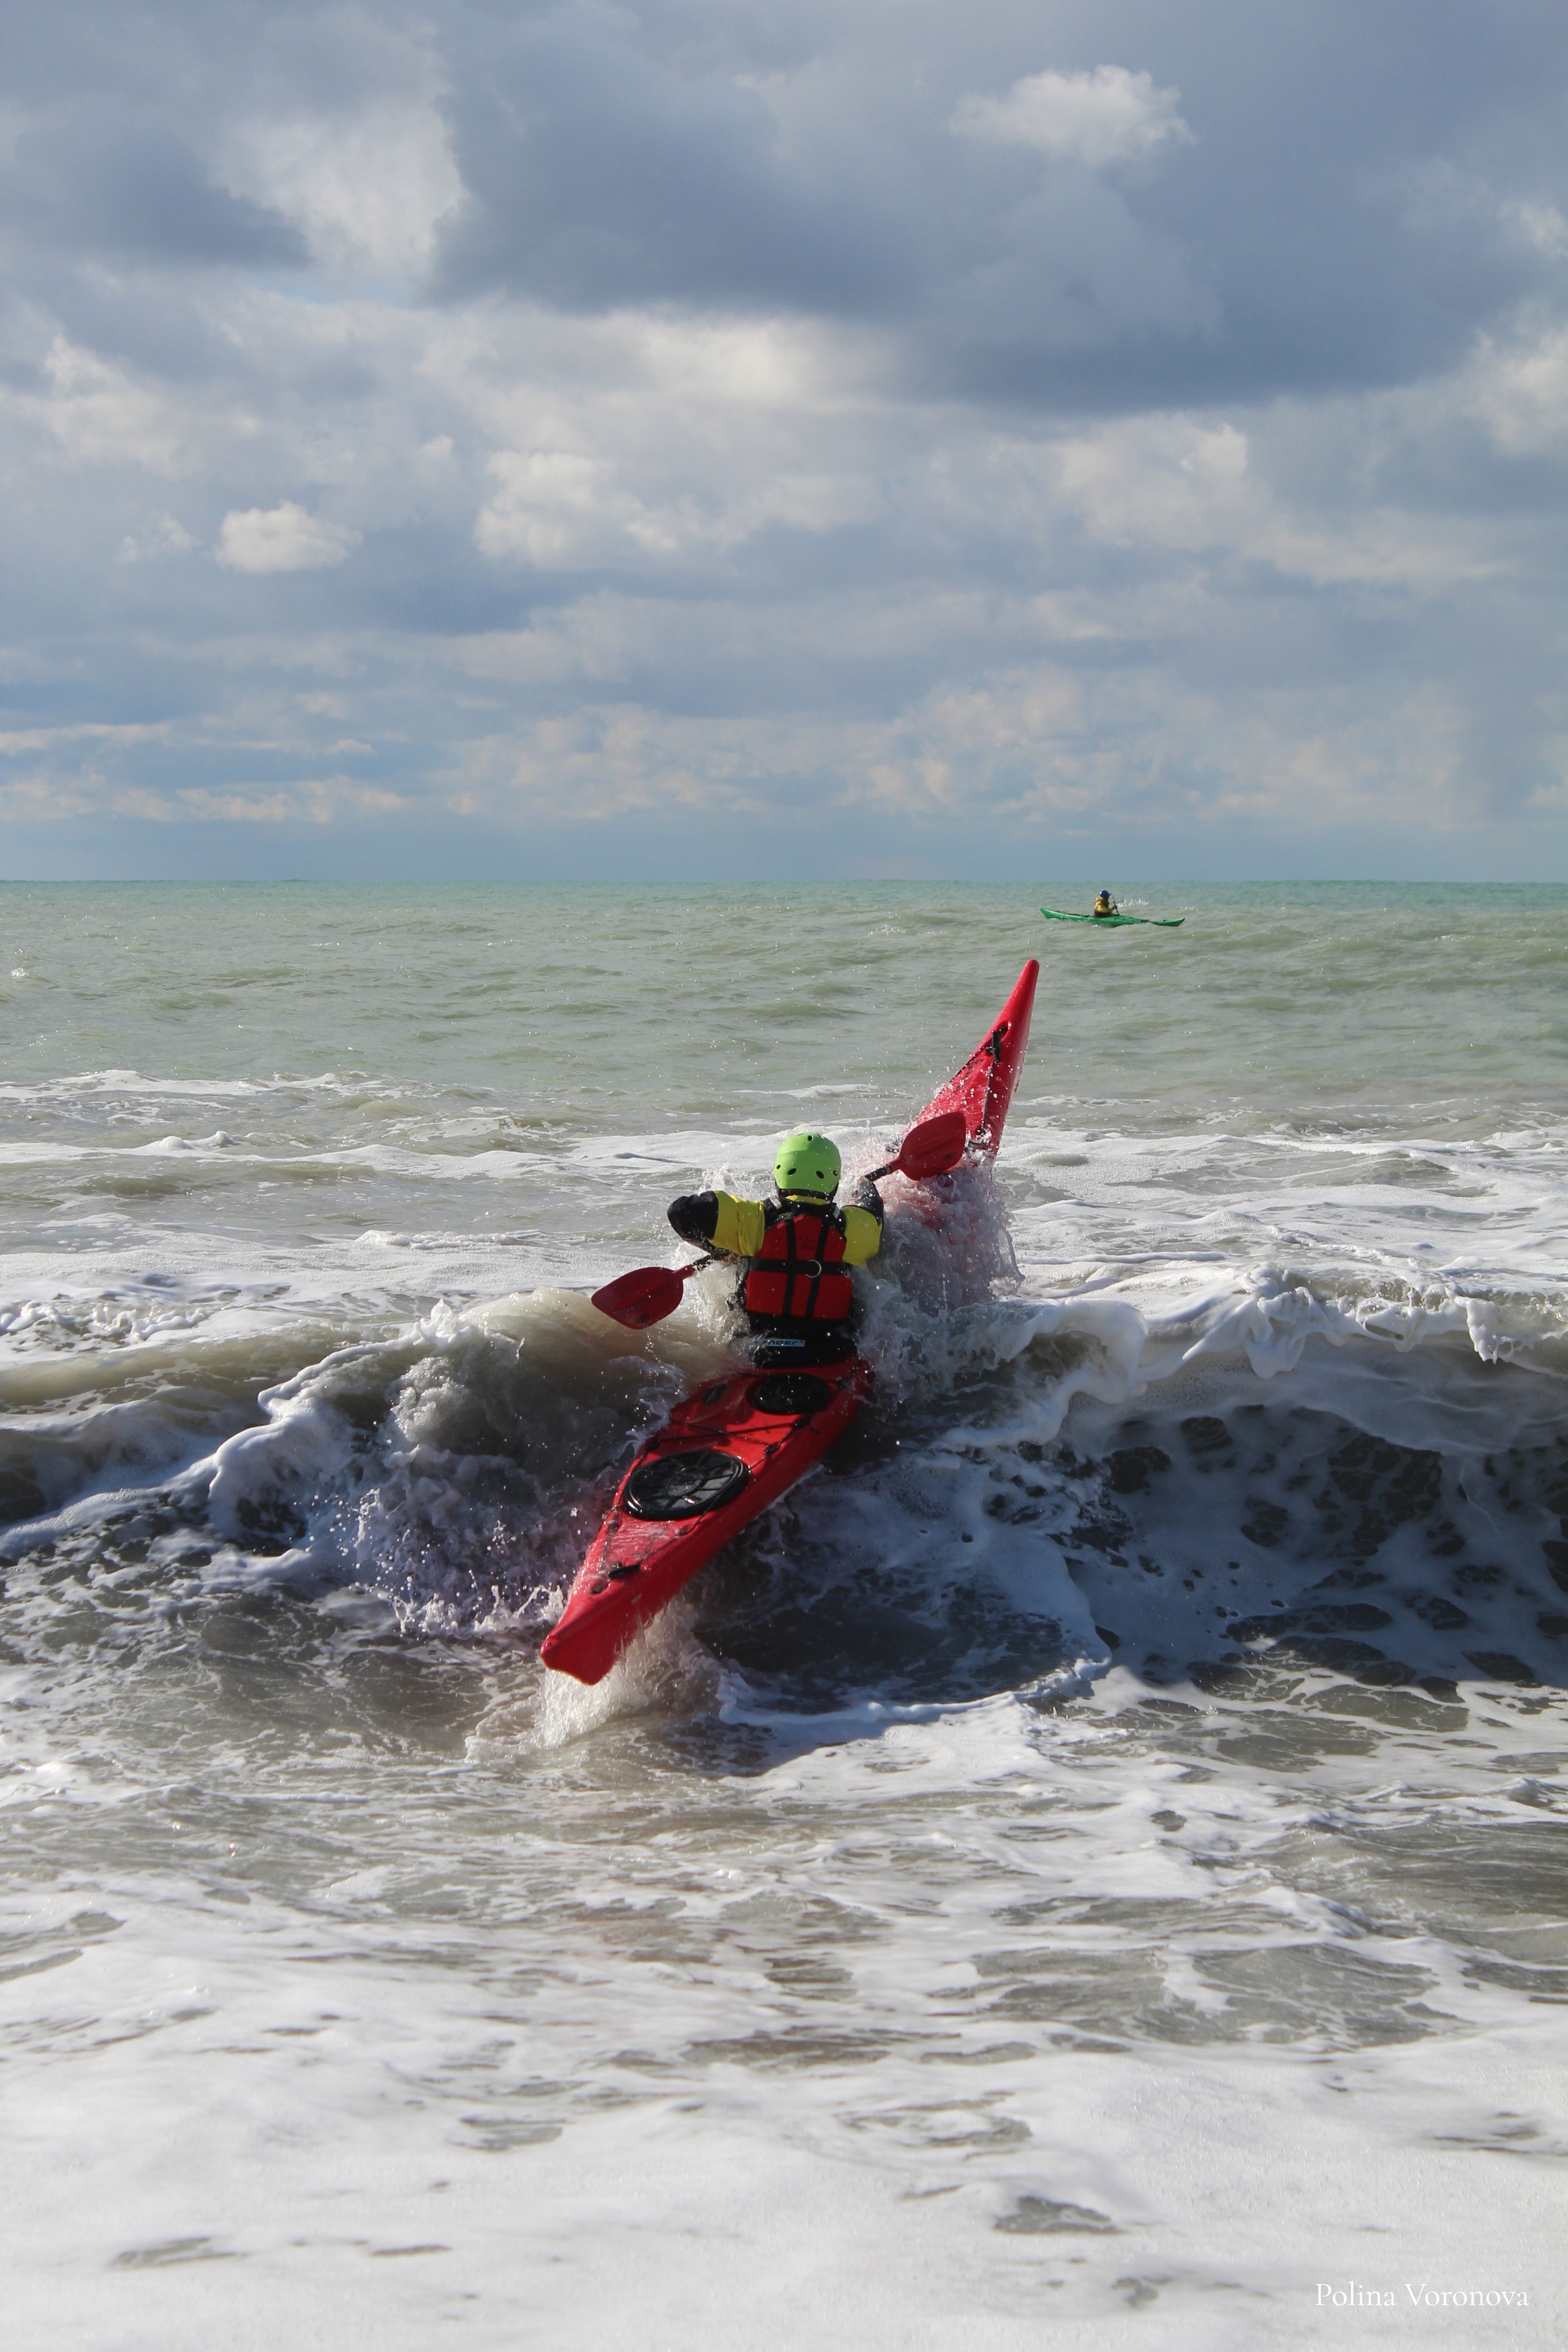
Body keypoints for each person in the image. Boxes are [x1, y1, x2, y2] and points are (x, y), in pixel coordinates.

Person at [667, 1130, 883, 1366]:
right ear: (833, 1180)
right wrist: (866, 1186)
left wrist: (718, 1248)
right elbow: (873, 1211)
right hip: (828, 1349)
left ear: (780, 1173)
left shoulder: (754, 1220)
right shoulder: (851, 1228)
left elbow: (681, 1212)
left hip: (756, 1350)